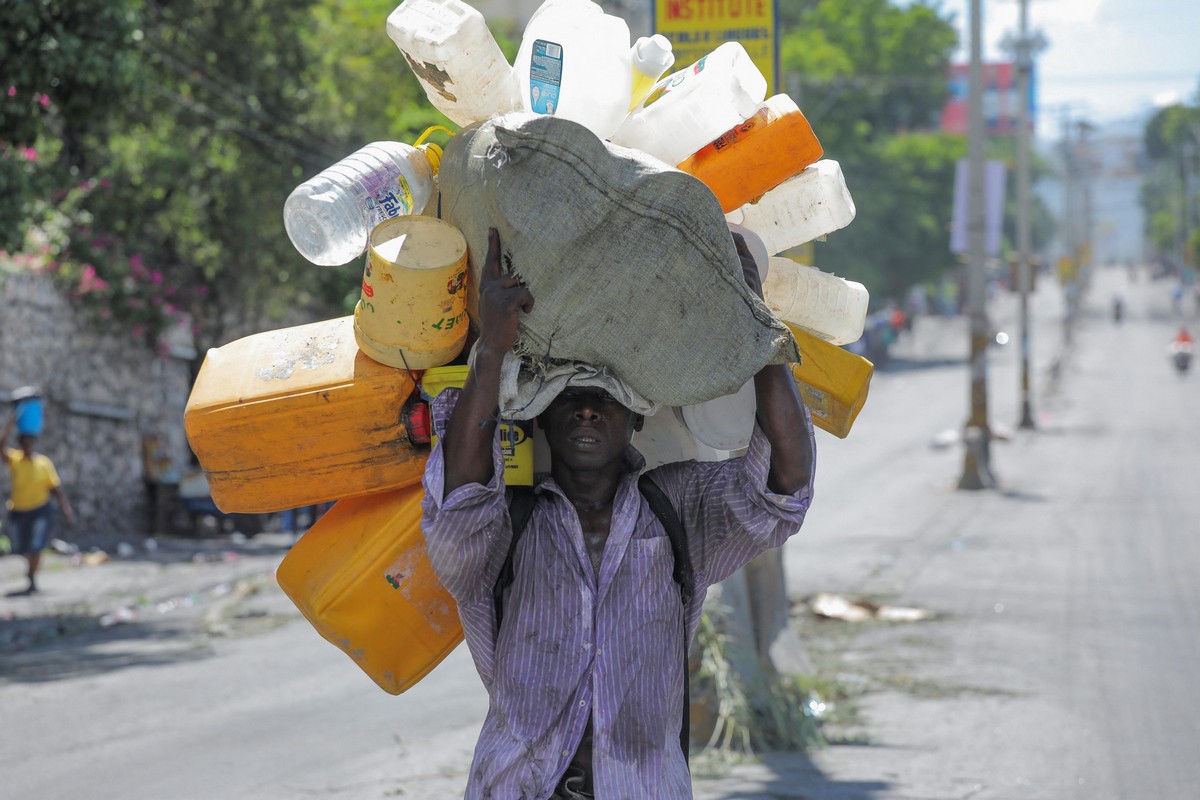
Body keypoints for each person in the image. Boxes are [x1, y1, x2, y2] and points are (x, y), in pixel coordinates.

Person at [420, 228, 815, 799]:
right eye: (568, 397)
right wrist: (493, 349)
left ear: (635, 420)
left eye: (606, 397)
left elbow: (785, 484)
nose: (586, 409)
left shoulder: (678, 508)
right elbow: (459, 496)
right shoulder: (506, 527)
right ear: (543, 420)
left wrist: (755, 326)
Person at [2, 414, 75, 595]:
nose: (28, 446)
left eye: (31, 442)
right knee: (20, 547)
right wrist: (10, 425)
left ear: (34, 444)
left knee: (36, 545)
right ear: (20, 445)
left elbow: (55, 488)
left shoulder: (43, 463)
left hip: (40, 510)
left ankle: (32, 578)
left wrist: (66, 509)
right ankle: (31, 569)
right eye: (25, 443)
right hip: (18, 510)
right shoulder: (15, 460)